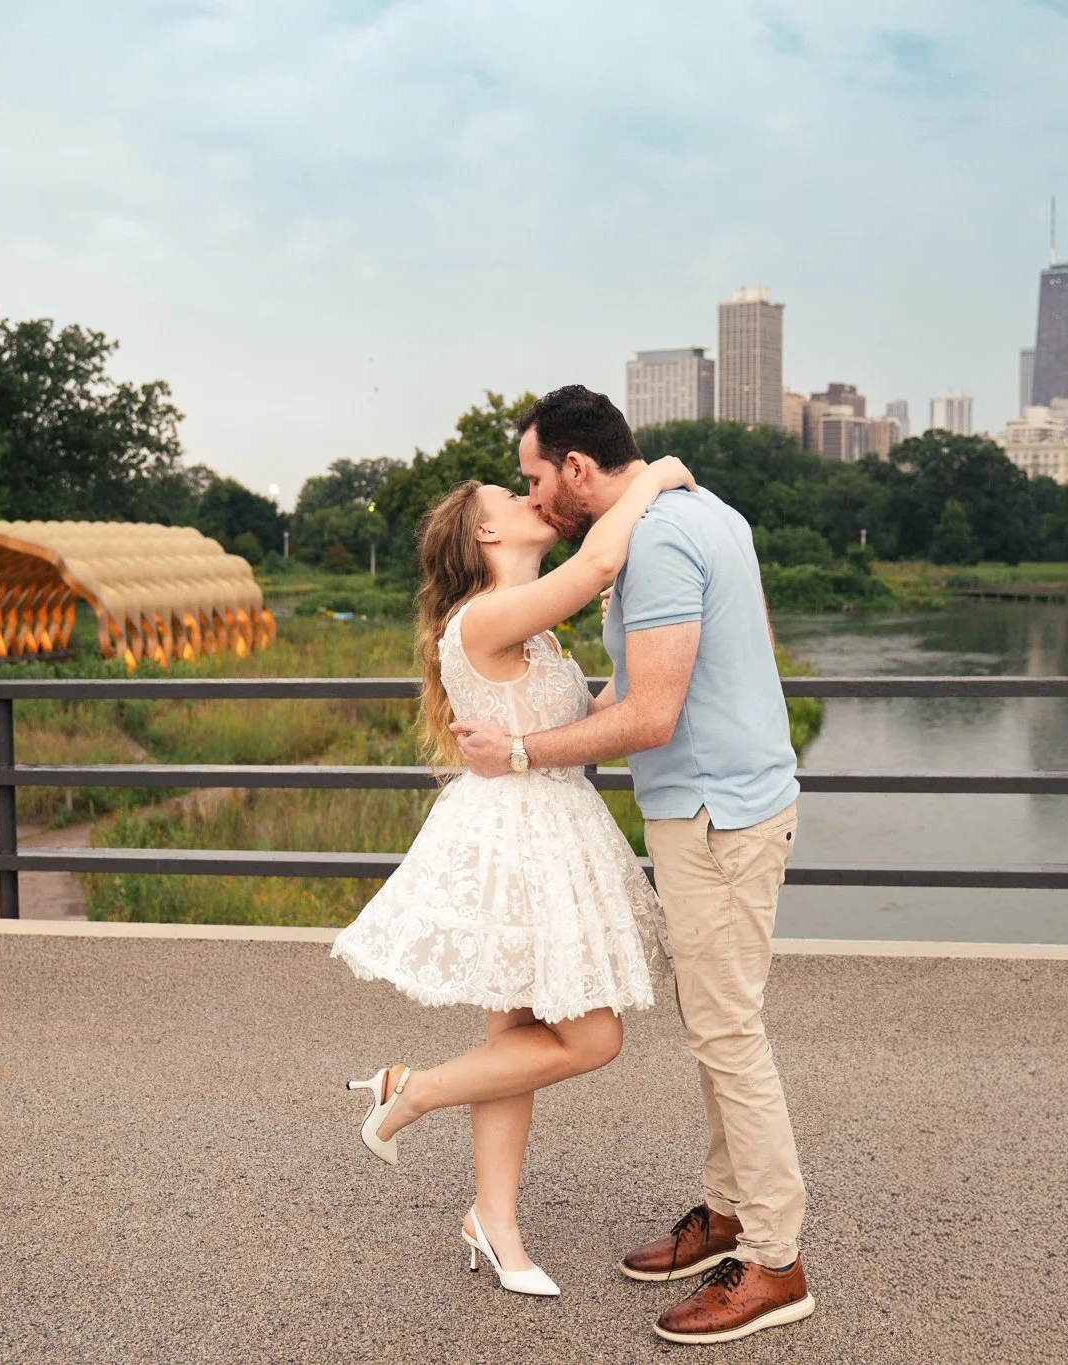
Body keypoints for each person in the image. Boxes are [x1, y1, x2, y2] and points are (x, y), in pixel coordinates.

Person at [453, 385, 814, 1346]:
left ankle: (775, 1262)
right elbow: (688, 671)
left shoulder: (652, 540)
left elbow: (649, 715)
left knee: (729, 1031)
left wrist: (523, 752)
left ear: (577, 468)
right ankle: (728, 1209)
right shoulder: (703, 512)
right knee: (715, 1023)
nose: (535, 497)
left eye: (536, 477)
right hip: (726, 800)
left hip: (716, 814)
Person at [332, 449, 695, 1298]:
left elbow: (593, 713)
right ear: (485, 529)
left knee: (518, 1042)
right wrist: (659, 474)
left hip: (552, 831)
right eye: (514, 493)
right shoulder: (482, 619)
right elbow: (602, 556)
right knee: (590, 1037)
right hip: (517, 840)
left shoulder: (533, 629)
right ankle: (413, 1092)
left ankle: (491, 1220)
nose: (535, 496)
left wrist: (644, 652)